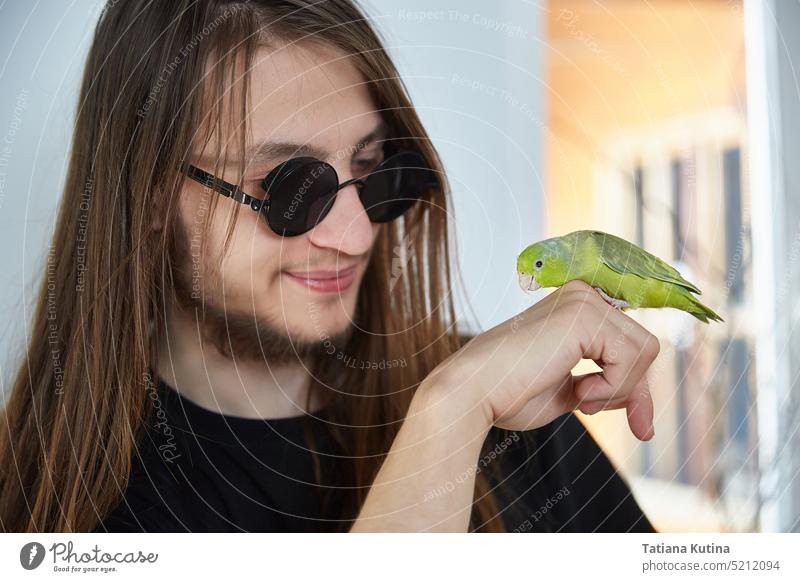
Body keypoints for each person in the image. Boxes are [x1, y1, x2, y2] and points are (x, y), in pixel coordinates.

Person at [0, 0, 659, 533]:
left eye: (368, 172)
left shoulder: (517, 412)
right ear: (147, 192)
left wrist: (460, 401)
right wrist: (449, 414)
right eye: (288, 188)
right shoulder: (59, 513)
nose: (353, 234)